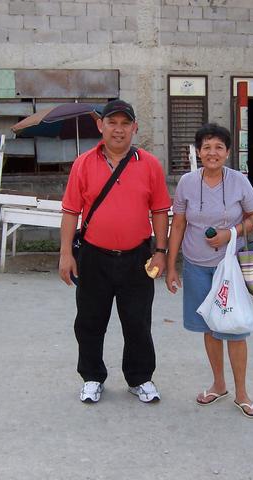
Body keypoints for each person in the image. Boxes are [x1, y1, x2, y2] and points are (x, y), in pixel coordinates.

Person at [59, 99, 171, 404]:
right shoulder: (83, 164)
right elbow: (70, 212)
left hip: (137, 258)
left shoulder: (149, 164)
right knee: (90, 321)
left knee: (137, 322)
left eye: (125, 123)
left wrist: (160, 251)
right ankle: (92, 377)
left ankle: (140, 378)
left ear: (135, 128)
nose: (118, 130)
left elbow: (160, 210)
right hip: (93, 257)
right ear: (100, 126)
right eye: (112, 122)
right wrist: (66, 254)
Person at [165, 123, 253, 418]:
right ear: (199, 151)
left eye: (218, 147)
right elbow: (179, 224)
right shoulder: (186, 182)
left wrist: (230, 233)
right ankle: (218, 384)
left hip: (228, 269)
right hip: (196, 266)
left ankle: (243, 393)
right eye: (207, 147)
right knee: (209, 328)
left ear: (228, 152)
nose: (212, 153)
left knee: (234, 329)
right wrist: (171, 267)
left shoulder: (238, 182)